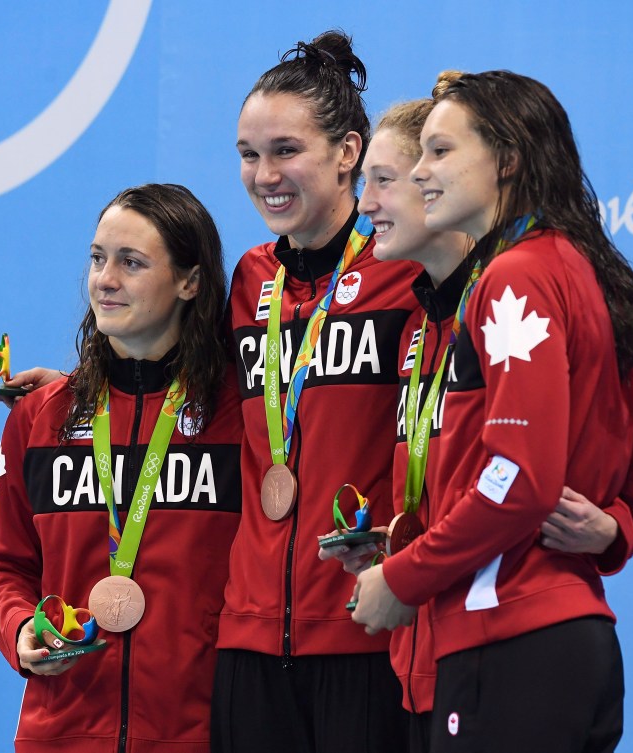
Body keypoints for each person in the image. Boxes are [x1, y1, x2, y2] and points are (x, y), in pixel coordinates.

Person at [326, 83, 633, 752]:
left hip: (504, 639)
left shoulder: (514, 277)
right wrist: (612, 529)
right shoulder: (611, 286)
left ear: (507, 160)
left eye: (439, 150)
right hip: (571, 642)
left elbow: (517, 477)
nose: (420, 171)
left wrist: (402, 575)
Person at [0, 183, 243, 753]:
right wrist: (21, 625)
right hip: (61, 733)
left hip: (197, 734)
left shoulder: (238, 419)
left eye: (132, 262)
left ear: (190, 282)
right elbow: (0, 562)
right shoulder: (41, 419)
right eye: (98, 258)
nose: (105, 279)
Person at [211, 30, 415, 753]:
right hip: (247, 643)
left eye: (284, 150)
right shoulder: (245, 280)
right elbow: (175, 383)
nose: (263, 173)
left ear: (348, 152)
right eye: (247, 154)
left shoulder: (404, 272)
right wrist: (69, 391)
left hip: (365, 631)